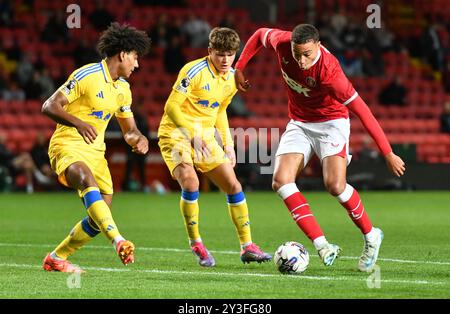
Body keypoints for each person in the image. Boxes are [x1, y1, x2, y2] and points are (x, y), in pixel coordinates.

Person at [235, 24, 406, 272]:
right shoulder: (283, 43)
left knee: (335, 185)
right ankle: (322, 245)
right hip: (300, 122)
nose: (302, 61)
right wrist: (239, 67)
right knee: (281, 181)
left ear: (318, 45)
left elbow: (363, 112)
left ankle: (371, 236)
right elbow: (260, 34)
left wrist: (388, 152)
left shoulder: (330, 73)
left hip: (331, 123)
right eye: (297, 54)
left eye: (307, 54)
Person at [40, 23, 151, 273]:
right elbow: (49, 106)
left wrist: (139, 138)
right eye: (135, 57)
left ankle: (57, 257)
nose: (137, 64)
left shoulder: (123, 89)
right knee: (85, 179)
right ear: (122, 54)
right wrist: (78, 123)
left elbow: (129, 130)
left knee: (99, 216)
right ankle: (119, 240)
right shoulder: (87, 75)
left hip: (96, 153)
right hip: (67, 144)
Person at [158, 27, 271, 267]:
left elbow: (220, 110)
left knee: (233, 185)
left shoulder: (232, 77)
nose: (225, 60)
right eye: (220, 54)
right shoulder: (193, 71)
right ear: (209, 51)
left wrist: (228, 145)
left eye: (230, 54)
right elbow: (171, 107)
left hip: (205, 137)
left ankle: (247, 246)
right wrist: (191, 134)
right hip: (176, 133)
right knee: (191, 181)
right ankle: (196, 242)